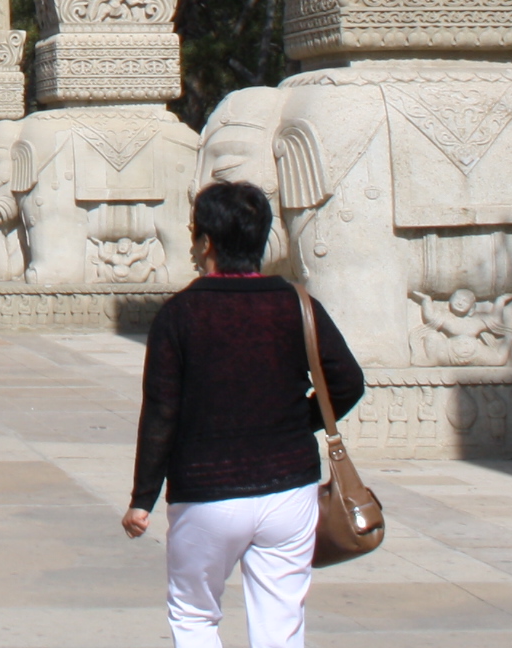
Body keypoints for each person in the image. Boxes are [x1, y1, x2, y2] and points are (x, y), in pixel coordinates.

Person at [124, 181, 365, 648]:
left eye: (195, 234)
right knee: (280, 622)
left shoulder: (179, 314)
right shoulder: (298, 305)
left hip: (207, 492)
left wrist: (142, 498)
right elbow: (348, 382)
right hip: (289, 490)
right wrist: (293, 423)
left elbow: (161, 413)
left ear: (208, 242)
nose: (193, 247)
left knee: (194, 614)